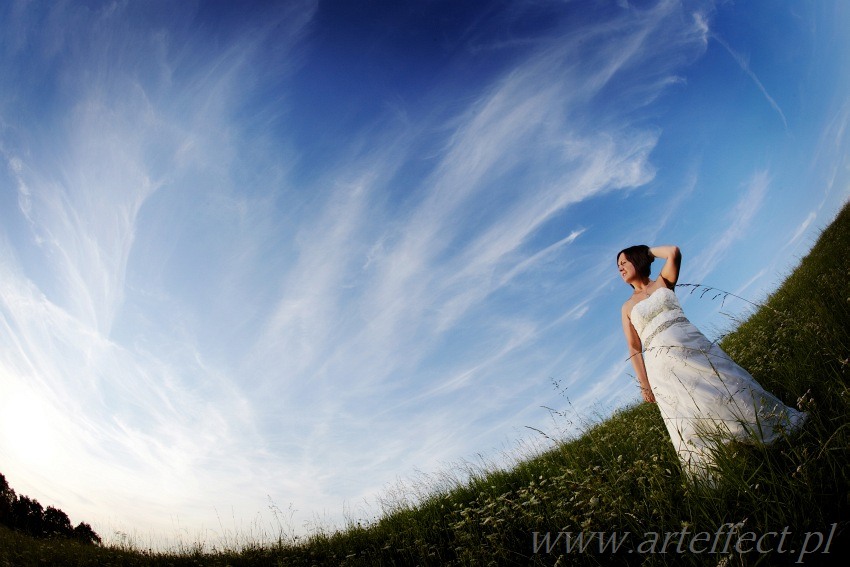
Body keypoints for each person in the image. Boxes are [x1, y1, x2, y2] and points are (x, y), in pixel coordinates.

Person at [618, 244, 807, 478]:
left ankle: (771, 428)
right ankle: (729, 466)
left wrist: (647, 251)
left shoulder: (663, 282)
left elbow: (674, 252)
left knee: (728, 387)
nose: (620, 269)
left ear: (637, 260)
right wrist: (644, 383)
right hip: (662, 367)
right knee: (691, 413)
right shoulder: (627, 307)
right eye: (618, 266)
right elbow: (635, 347)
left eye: (624, 262)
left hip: (693, 345)